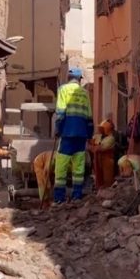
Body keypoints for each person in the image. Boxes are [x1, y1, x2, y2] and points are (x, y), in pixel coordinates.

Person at [54, 67, 94, 202]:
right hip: (81, 134)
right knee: (79, 166)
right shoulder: (85, 93)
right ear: (79, 79)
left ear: (68, 78)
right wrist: (89, 134)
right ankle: (77, 195)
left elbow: (60, 113)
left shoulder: (63, 90)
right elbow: (89, 117)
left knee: (61, 166)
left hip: (67, 133)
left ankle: (59, 198)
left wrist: (58, 130)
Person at [89, 120, 116, 190]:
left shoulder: (111, 138)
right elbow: (91, 143)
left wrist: (93, 146)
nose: (100, 130)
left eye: (102, 128)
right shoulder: (99, 136)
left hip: (107, 161)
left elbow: (99, 148)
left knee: (107, 179)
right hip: (98, 160)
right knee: (98, 178)